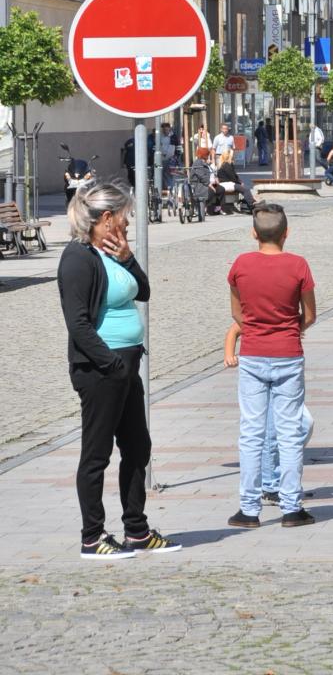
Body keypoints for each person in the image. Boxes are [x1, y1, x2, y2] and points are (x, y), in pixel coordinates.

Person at [57, 181, 181, 558]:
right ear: (106, 218)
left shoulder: (112, 251)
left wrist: (128, 257)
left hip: (126, 365)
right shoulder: (77, 259)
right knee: (97, 454)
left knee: (137, 447)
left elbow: (143, 291)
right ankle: (92, 537)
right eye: (124, 217)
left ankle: (137, 531)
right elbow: (77, 324)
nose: (128, 224)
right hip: (100, 368)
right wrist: (111, 364)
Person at [226, 203, 316, 529]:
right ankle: (292, 508)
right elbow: (310, 313)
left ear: (254, 233)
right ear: (286, 232)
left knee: (251, 433)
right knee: (289, 433)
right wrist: (295, 328)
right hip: (288, 353)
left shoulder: (241, 265)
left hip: (251, 353)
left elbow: (238, 313)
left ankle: (249, 510)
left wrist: (254, 326)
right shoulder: (298, 266)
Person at [224, 320, 315, 506]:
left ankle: (275, 485)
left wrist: (292, 329)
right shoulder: (255, 315)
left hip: (280, 364)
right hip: (264, 367)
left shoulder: (283, 315)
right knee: (271, 434)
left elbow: (306, 318)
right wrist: (229, 355)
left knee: (295, 428)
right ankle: (272, 485)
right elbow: (234, 329)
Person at [215, 148, 255, 214]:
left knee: (243, 188)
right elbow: (233, 177)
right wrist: (239, 183)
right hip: (227, 184)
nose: (234, 156)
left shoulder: (225, 164)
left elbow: (235, 176)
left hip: (227, 183)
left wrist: (240, 182)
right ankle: (252, 204)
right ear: (229, 156)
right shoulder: (226, 165)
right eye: (233, 155)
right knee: (245, 190)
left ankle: (251, 202)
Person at [189, 147, 215, 216]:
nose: (208, 156)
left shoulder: (203, 162)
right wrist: (209, 184)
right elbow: (202, 176)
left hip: (205, 183)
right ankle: (203, 207)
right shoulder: (198, 163)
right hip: (198, 184)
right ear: (204, 155)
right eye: (207, 155)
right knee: (211, 191)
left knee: (220, 189)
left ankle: (213, 208)